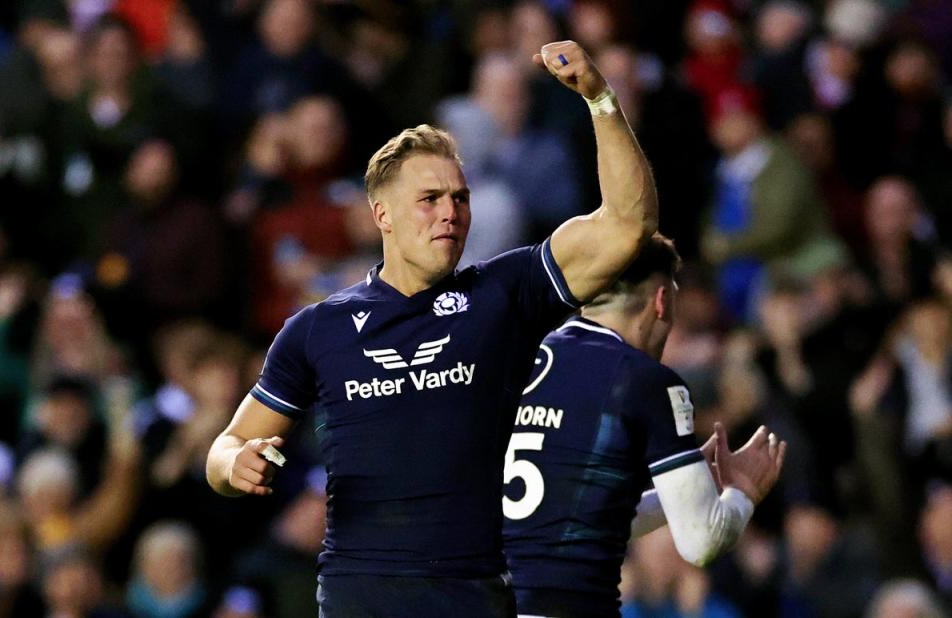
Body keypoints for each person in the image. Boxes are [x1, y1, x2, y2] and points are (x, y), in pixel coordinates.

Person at [206, 39, 659, 617]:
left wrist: (599, 100)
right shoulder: (318, 329)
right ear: (382, 215)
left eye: (460, 198)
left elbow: (628, 225)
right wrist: (233, 466)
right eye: (429, 199)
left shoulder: (504, 292)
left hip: (472, 596)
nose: (451, 212)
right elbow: (227, 446)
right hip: (357, 598)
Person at [503, 234, 786, 618]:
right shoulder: (644, 380)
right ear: (661, 300)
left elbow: (585, 520)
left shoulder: (525, 359)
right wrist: (742, 494)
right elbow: (701, 542)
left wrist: (682, 495)